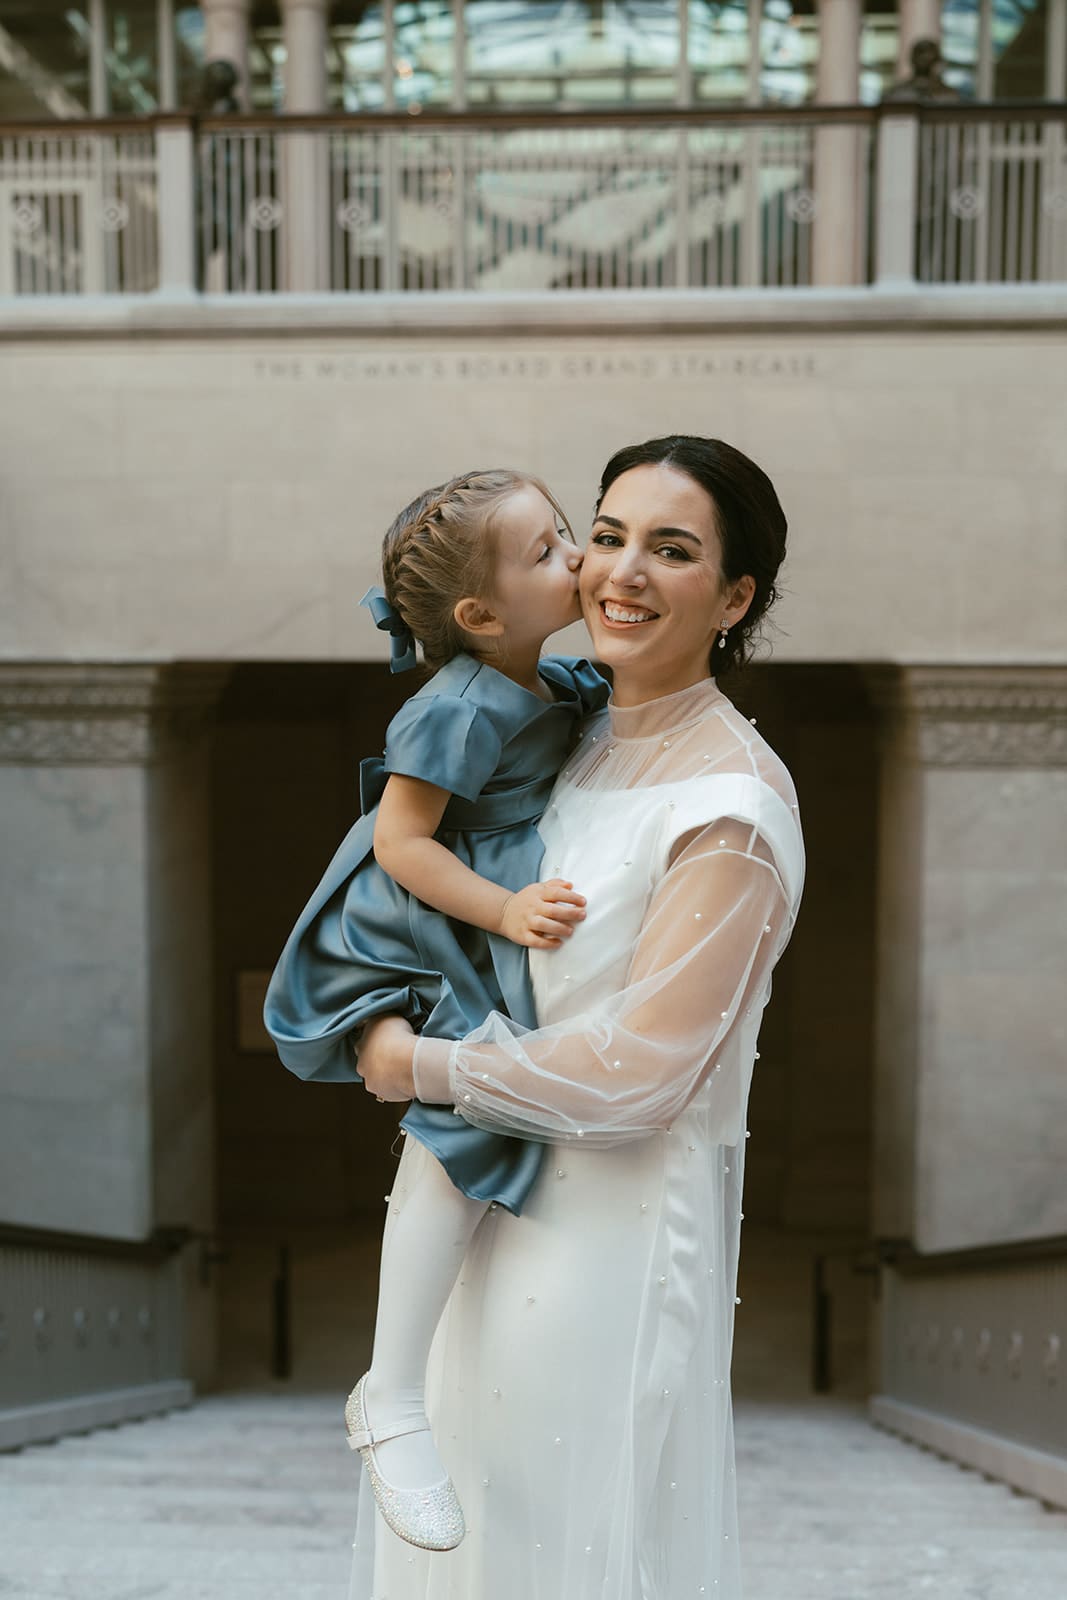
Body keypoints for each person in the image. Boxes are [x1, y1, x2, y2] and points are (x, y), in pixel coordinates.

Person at [351, 435, 806, 1600]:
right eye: (604, 535)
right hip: (484, 1230)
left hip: (605, 1246)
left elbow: (641, 1072)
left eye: (672, 548)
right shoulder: (557, 733)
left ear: (735, 595)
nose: (620, 571)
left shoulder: (730, 807)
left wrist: (421, 1065)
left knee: (563, 1556)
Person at [263, 469, 608, 1551]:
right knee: (457, 1101)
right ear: (479, 615)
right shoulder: (459, 701)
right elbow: (399, 842)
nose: (580, 561)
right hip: (418, 914)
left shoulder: (550, 678)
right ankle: (389, 1388)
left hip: (470, 905)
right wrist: (503, 910)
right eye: (551, 551)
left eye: (567, 537)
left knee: (480, 1099)